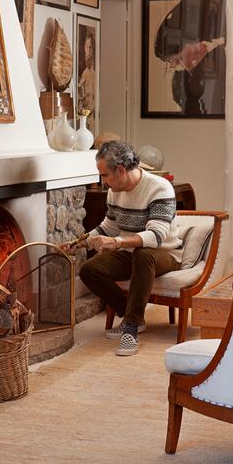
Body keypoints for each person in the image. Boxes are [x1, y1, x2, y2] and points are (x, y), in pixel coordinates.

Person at [63, 141, 182, 356]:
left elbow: (156, 236)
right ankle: (130, 313)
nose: (103, 181)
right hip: (131, 254)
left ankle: (132, 327)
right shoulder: (114, 191)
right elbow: (108, 227)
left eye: (105, 175)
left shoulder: (159, 188)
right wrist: (77, 244)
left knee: (144, 254)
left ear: (120, 170)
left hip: (164, 254)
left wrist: (118, 242)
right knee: (89, 270)